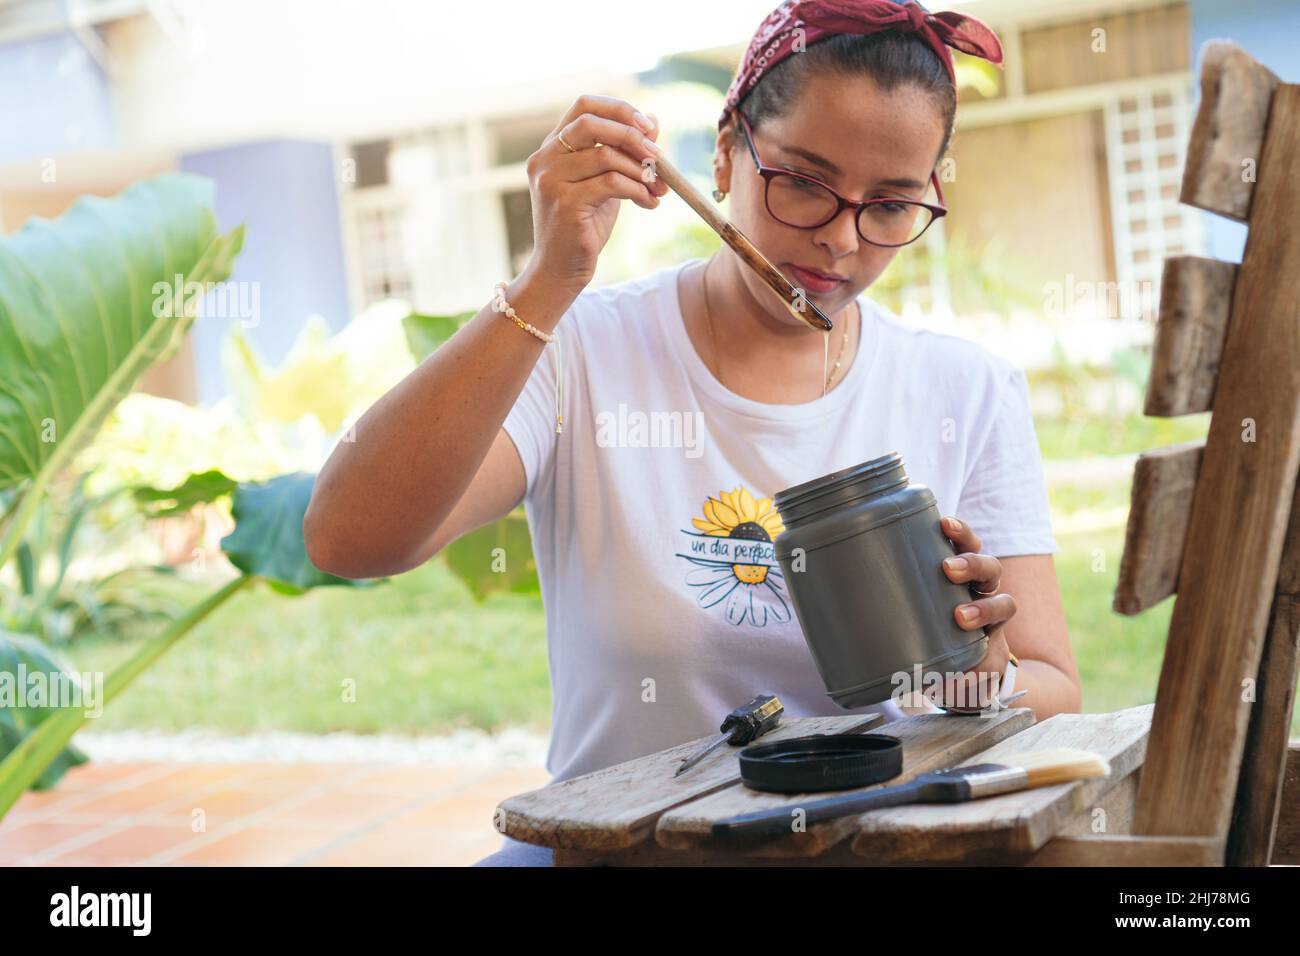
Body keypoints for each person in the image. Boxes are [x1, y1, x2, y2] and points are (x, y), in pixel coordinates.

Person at [303, 0, 1082, 868]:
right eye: (801, 182)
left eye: (891, 206)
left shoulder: (962, 388)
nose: (837, 240)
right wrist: (545, 281)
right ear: (725, 151)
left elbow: (1052, 687)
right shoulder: (580, 352)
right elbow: (348, 537)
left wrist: (980, 669)